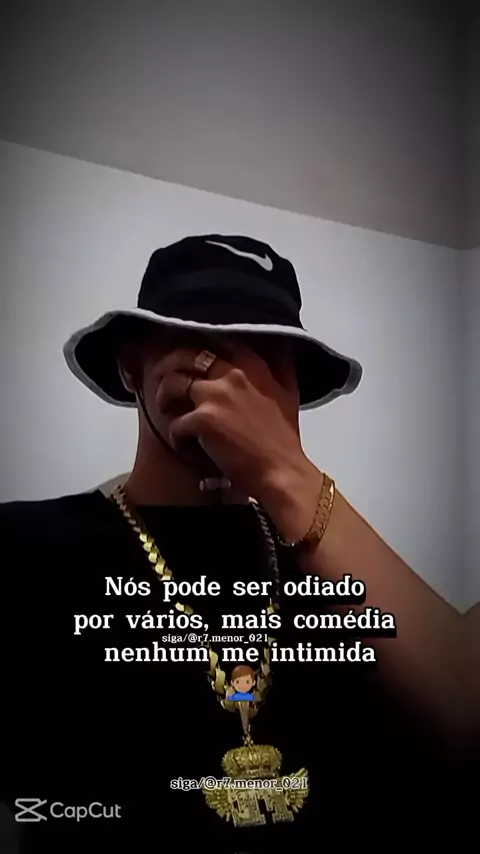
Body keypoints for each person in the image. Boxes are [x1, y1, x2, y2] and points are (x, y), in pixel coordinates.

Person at [1, 235, 463, 852]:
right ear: (131, 368)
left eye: (268, 355)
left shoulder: (334, 562)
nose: (233, 381)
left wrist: (286, 473)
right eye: (202, 343)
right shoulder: (24, 549)